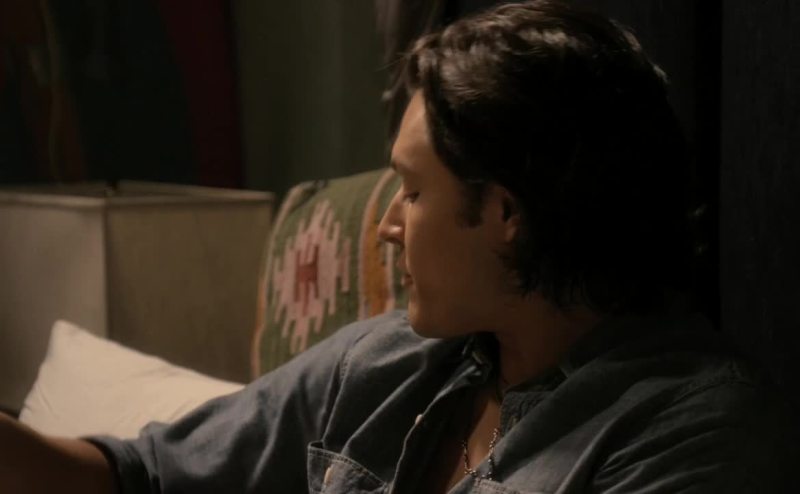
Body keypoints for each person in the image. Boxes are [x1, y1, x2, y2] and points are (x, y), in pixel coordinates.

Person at [1, 1, 797, 492]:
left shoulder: (696, 433)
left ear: (506, 213)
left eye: (412, 193)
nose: (386, 225)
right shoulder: (380, 363)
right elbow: (138, 477)